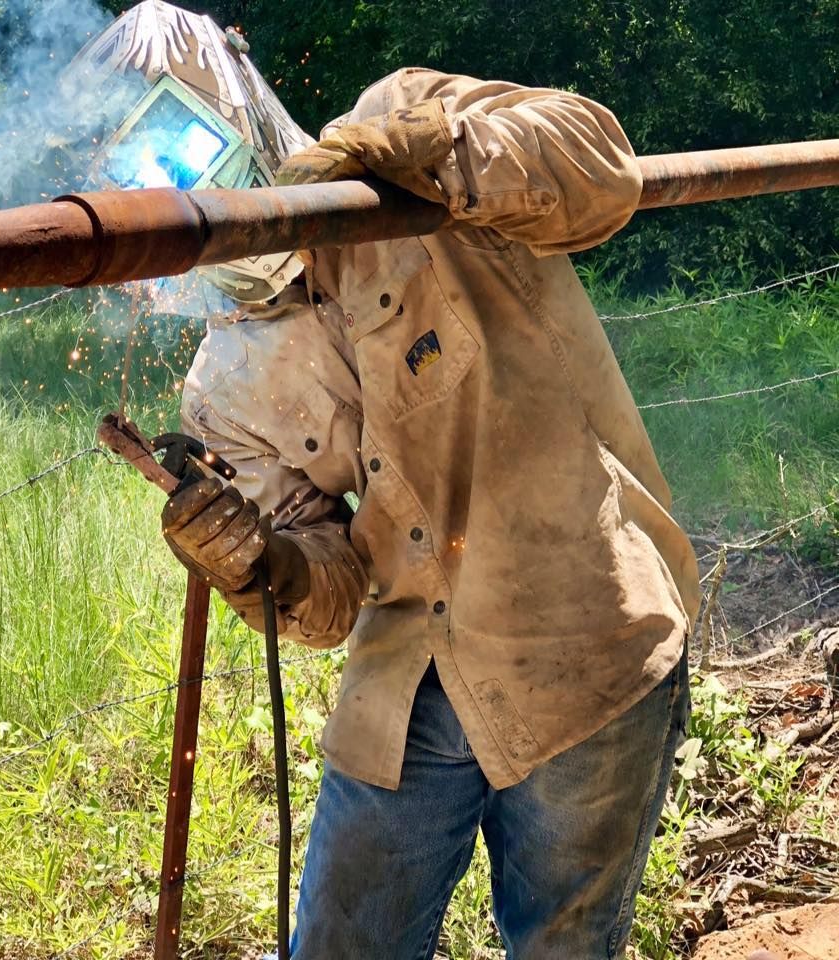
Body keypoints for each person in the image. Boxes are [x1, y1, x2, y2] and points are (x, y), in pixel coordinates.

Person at [162, 62, 701, 959]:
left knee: (561, 948)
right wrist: (265, 566)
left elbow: (603, 168)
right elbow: (327, 592)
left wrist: (442, 153)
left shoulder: (398, 121)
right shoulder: (226, 391)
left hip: (583, 641)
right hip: (407, 687)